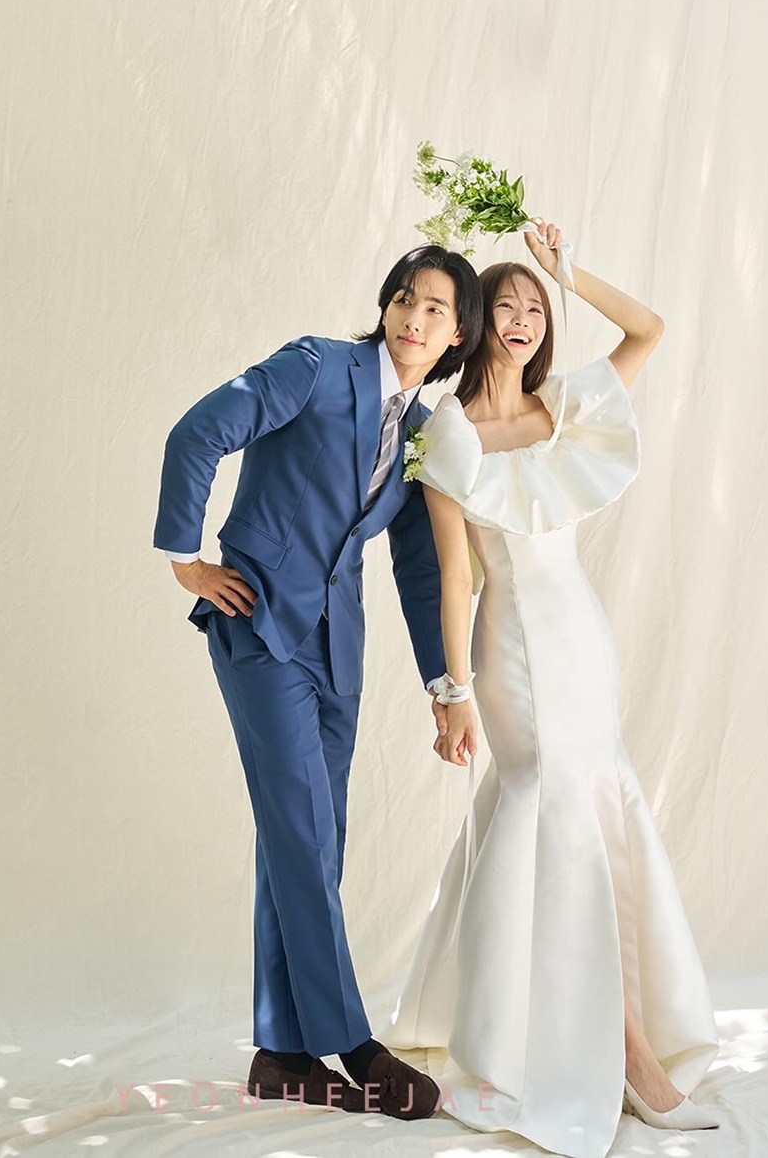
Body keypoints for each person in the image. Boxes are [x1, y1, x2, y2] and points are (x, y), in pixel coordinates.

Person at [377, 219, 721, 1156]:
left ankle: (559, 1036)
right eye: (509, 303)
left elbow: (648, 329)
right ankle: (630, 1061)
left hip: (582, 641)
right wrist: (451, 690)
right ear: (477, 320)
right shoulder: (446, 433)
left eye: (537, 306)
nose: (525, 318)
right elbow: (455, 575)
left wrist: (569, 270)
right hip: (512, 650)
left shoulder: (566, 406)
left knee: (593, 815)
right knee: (550, 818)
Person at [153, 244, 483, 1119]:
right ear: (387, 305)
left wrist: (447, 690)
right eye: (405, 299)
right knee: (302, 834)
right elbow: (199, 432)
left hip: (338, 651)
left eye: (436, 309)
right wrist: (187, 559)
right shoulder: (315, 365)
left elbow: (421, 572)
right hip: (260, 627)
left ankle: (282, 1054)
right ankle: (355, 1044)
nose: (414, 318)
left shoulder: (421, 432)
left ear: (457, 334)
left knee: (307, 841)